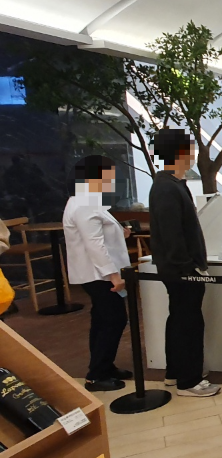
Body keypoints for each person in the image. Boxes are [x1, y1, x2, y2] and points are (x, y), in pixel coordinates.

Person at [149, 128, 221, 398]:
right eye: (190, 149)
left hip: (181, 268)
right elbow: (172, 234)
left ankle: (175, 371)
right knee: (188, 322)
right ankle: (189, 380)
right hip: (180, 270)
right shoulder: (166, 188)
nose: (193, 154)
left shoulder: (174, 184)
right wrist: (187, 267)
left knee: (179, 318)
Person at [62, 156, 134, 392]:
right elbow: (95, 244)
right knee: (114, 320)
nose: (111, 181)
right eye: (108, 175)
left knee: (102, 319)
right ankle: (96, 375)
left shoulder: (87, 201)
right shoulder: (84, 204)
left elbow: (100, 234)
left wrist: (121, 232)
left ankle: (104, 366)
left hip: (98, 274)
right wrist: (114, 276)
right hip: (99, 275)